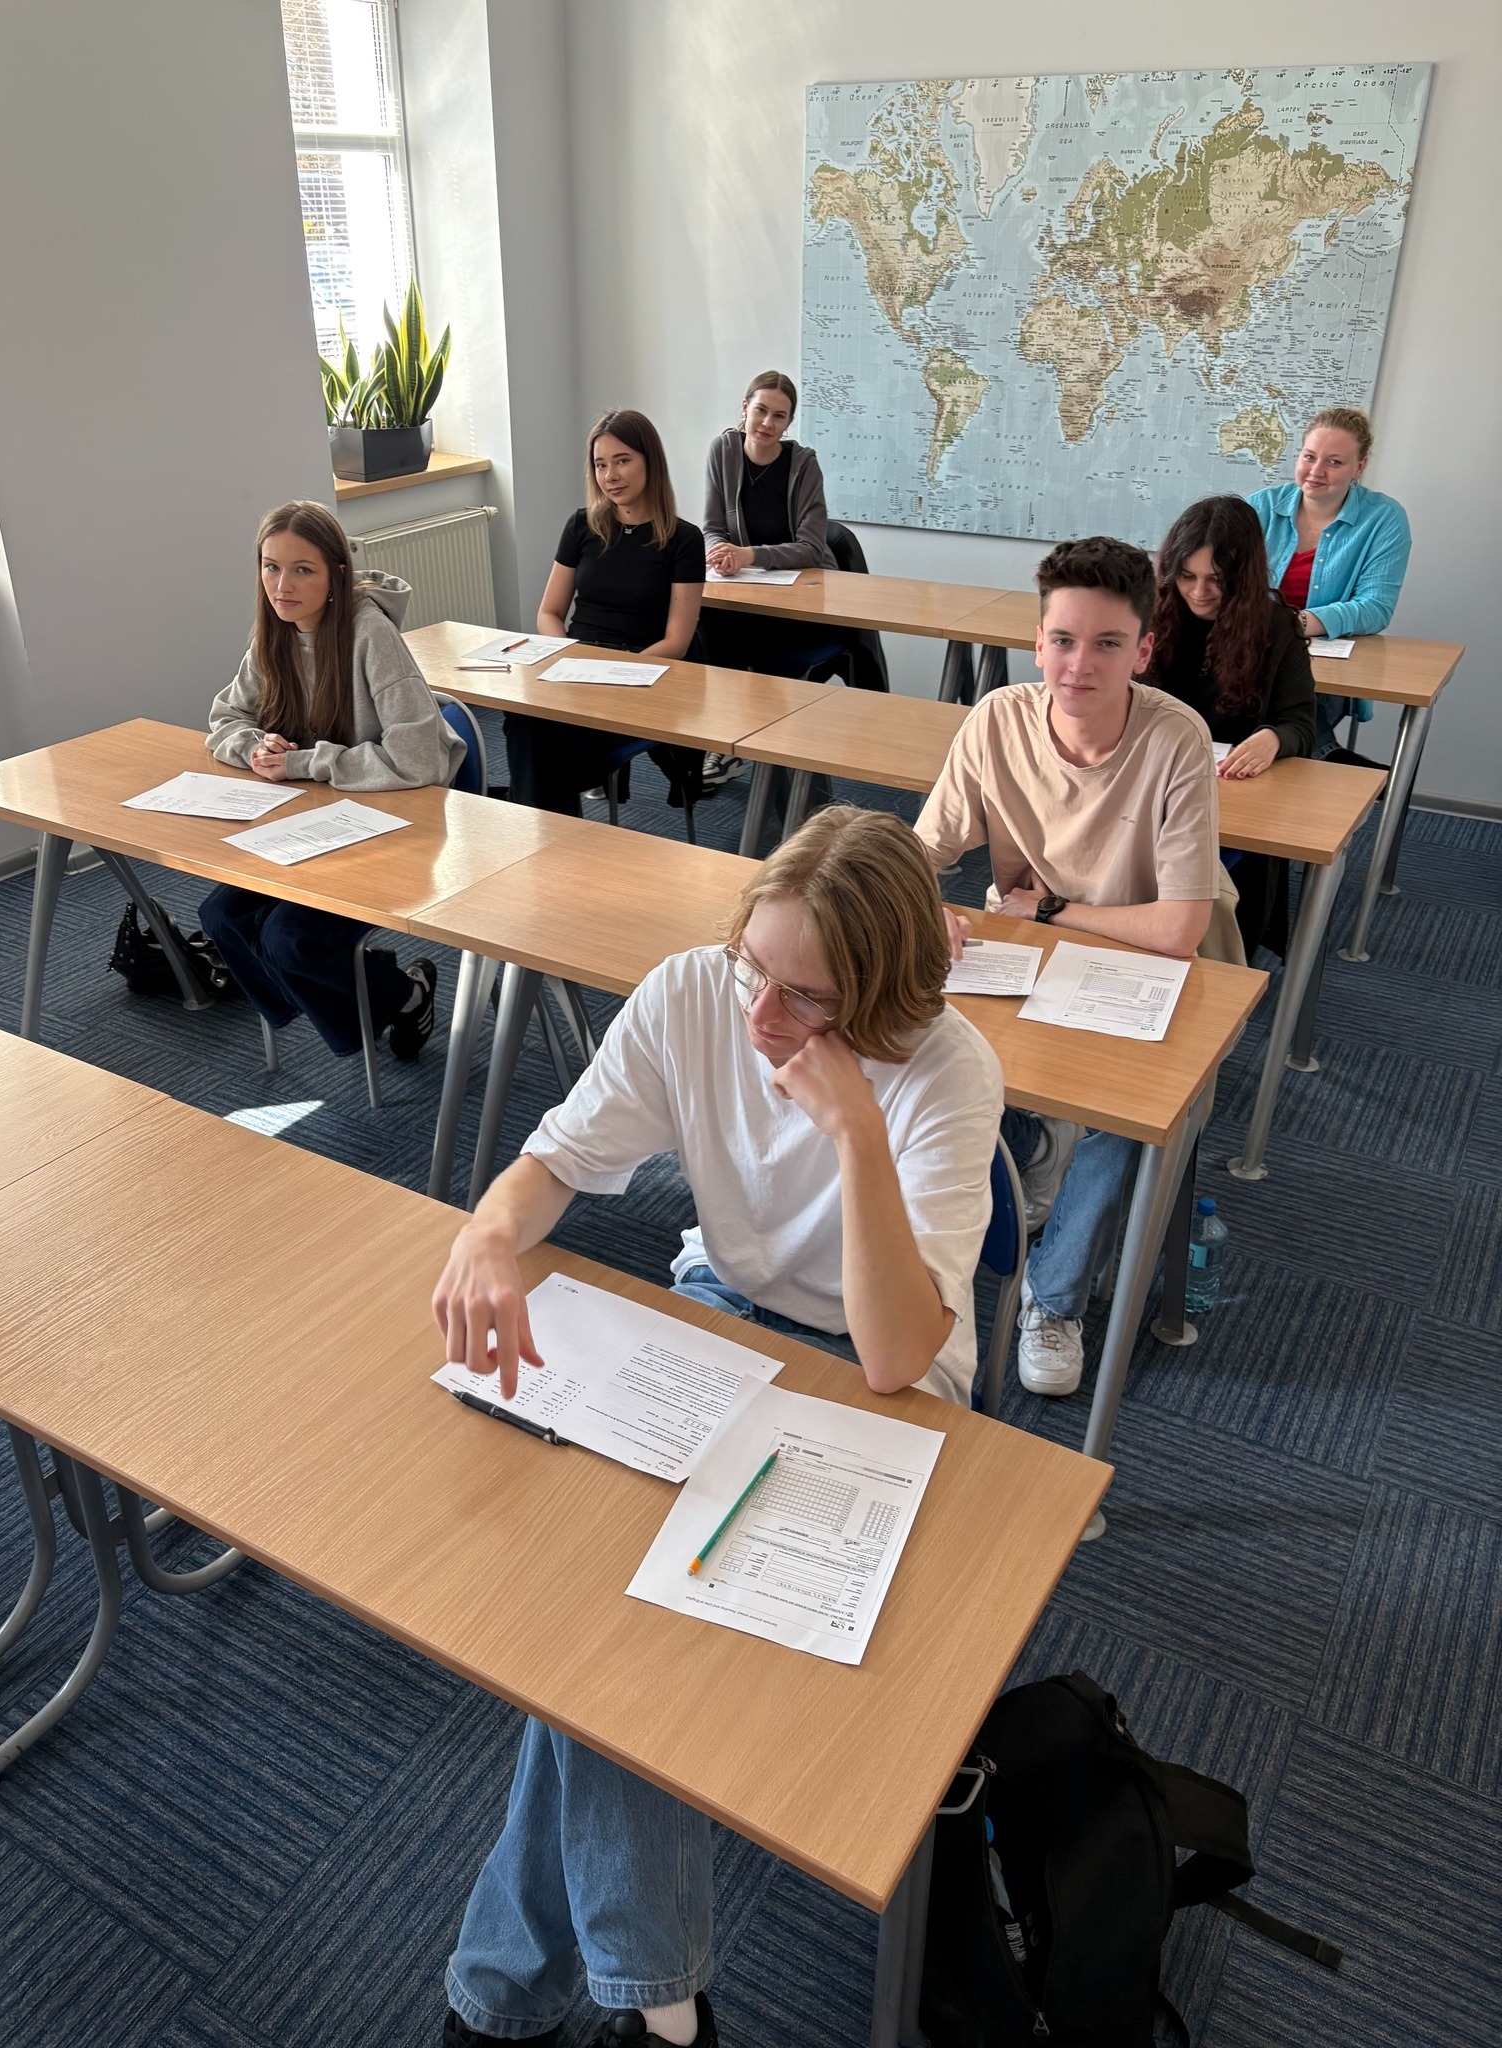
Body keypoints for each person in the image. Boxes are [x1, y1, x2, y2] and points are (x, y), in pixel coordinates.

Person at [430, 806, 1003, 2048]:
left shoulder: (948, 1071)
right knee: (607, 1617)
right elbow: (558, 1160)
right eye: (756, 966)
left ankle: (522, 1996)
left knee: (617, 1637)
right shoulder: (697, 992)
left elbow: (903, 1353)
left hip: (879, 1368)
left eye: (806, 995)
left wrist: (854, 1127)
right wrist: (485, 1229)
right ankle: (666, 2010)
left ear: (885, 996)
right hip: (723, 1315)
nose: (761, 1016)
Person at [915, 536, 1232, 1398]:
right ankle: (1021, 1170)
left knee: (1127, 1117)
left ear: (1145, 650)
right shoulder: (997, 720)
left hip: (1152, 965)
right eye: (1062, 640)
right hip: (1028, 953)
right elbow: (920, 850)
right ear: (1037, 640)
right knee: (921, 1037)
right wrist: (917, 899)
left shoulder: (1176, 740)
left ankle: (1052, 1301)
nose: (1077, 665)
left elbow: (1178, 927)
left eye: (1106, 645)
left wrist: (1053, 909)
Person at [202, 500, 464, 1061]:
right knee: (219, 915)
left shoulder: (371, 635)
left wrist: (302, 762)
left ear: (335, 575)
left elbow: (419, 759)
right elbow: (226, 717)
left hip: (398, 829)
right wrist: (256, 747)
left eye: (302, 569)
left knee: (288, 938)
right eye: (270, 567)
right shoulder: (273, 635)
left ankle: (400, 996)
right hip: (315, 826)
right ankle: (371, 999)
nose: (282, 585)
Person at [505, 409, 705, 816]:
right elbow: (549, 612)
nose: (610, 475)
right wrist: (567, 657)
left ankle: (540, 830)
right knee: (524, 718)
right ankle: (546, 828)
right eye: (600, 464)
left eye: (623, 460)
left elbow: (677, 642)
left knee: (550, 744)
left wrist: (615, 675)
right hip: (576, 668)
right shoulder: (582, 526)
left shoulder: (684, 539)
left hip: (640, 675)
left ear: (650, 461)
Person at [1147, 495, 1315, 957]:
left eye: (1217, 580)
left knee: (1214, 907)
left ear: (1243, 578)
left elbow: (1301, 723)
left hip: (1233, 795)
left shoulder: (1277, 628)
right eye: (1187, 576)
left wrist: (1273, 737)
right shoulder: (1150, 616)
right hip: (1153, 783)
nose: (1199, 592)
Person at [700, 371, 867, 790]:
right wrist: (719, 552)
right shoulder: (723, 451)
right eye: (760, 411)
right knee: (703, 626)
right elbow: (711, 526)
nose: (767, 424)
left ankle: (769, 744)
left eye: (779, 416)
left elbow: (812, 547)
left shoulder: (803, 465)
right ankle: (729, 740)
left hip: (801, 599)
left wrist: (749, 555)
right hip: (744, 591)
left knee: (751, 648)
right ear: (744, 408)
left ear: (789, 422)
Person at [1248, 406, 1412, 753]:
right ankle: (1335, 761)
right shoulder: (1259, 507)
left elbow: (1375, 607)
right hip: (1251, 652)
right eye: (1309, 457)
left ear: (1360, 467)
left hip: (1326, 665)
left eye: (1334, 462)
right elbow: (1223, 584)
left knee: (1282, 701)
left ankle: (1326, 761)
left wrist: (1295, 624)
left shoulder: (1384, 519)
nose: (1316, 471)